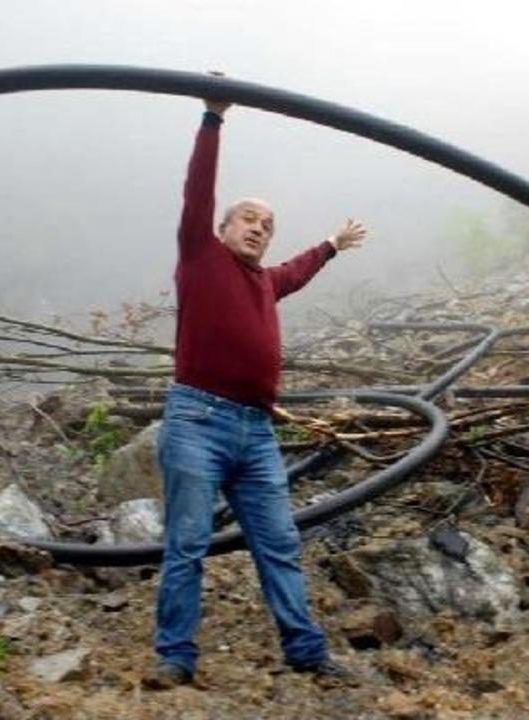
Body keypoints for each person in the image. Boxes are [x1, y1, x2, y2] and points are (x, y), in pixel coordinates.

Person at [143, 87, 366, 689]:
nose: (259, 229)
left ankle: (306, 651)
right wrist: (213, 117)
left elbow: (295, 269)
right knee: (188, 543)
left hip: (256, 431)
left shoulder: (265, 281)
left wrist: (331, 246)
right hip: (196, 421)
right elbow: (198, 189)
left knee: (279, 544)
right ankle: (175, 658)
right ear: (221, 227)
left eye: (267, 226)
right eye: (249, 219)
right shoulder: (200, 256)